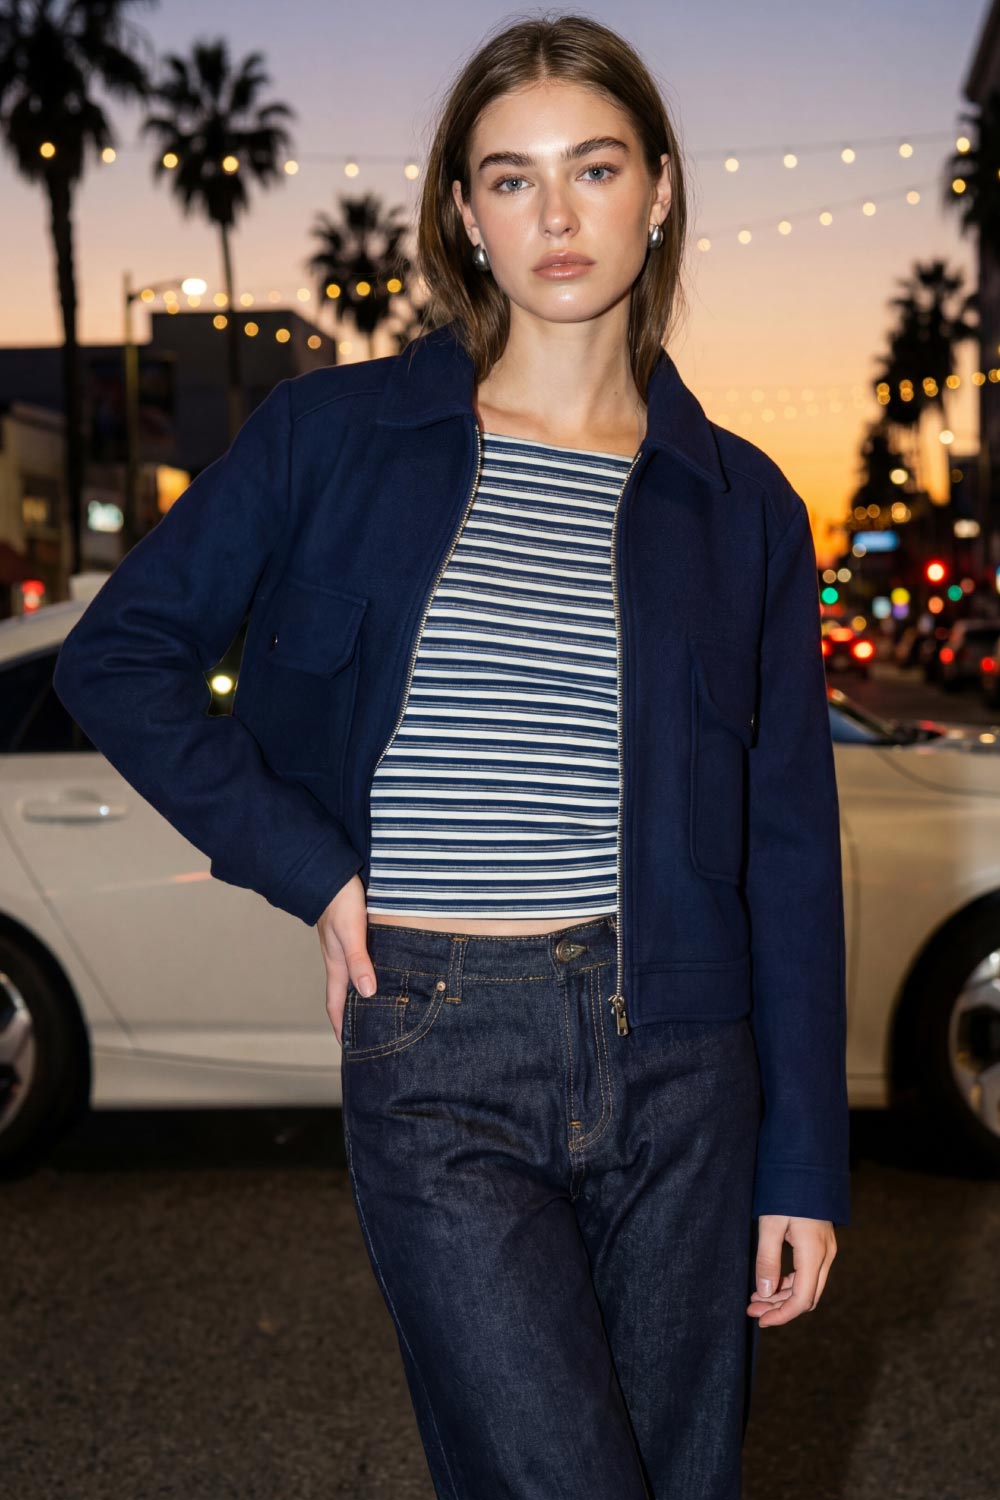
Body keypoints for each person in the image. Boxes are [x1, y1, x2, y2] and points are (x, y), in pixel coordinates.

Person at [53, 14, 850, 1499]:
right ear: (466, 216)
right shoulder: (333, 437)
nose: (557, 216)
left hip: (684, 1060)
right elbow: (118, 660)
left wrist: (802, 1159)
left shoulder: (739, 504)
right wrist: (311, 868)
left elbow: (791, 843)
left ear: (660, 189)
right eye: (510, 178)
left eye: (594, 168)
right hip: (437, 1047)